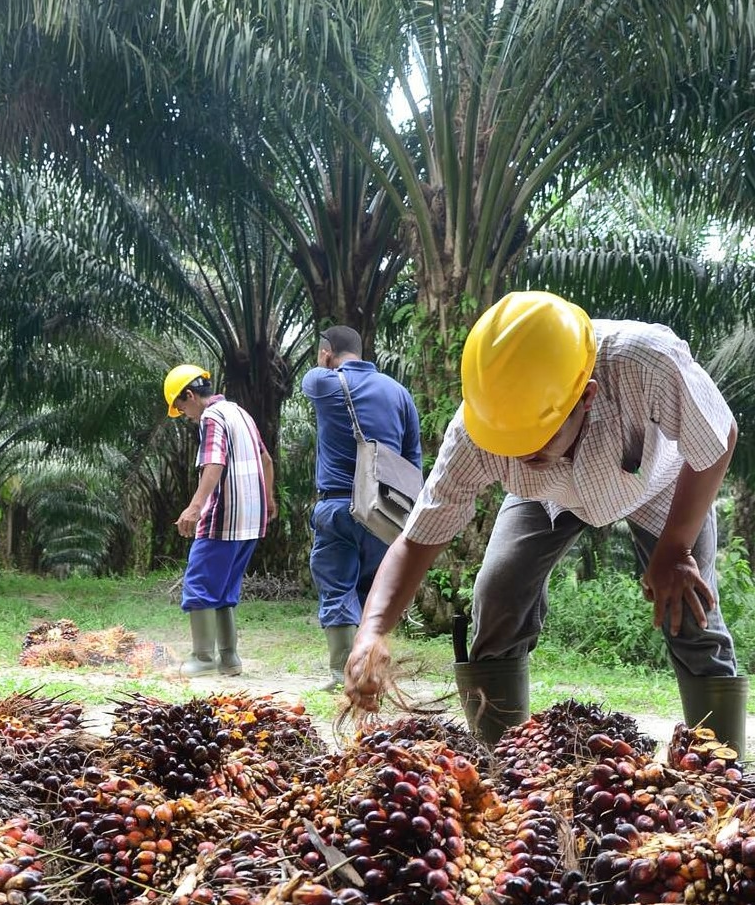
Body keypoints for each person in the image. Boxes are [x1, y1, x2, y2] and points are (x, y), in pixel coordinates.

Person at [343, 290, 749, 755]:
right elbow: (416, 542)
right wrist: (372, 630)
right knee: (497, 590)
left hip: (661, 487)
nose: (520, 453)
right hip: (546, 497)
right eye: (508, 442)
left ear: (588, 395)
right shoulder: (481, 431)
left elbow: (719, 437)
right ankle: (503, 760)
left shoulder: (645, 362)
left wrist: (676, 548)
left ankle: (723, 773)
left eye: (535, 439)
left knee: (691, 612)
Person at [302, 326, 422, 688]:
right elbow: (412, 459)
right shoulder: (400, 393)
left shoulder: (326, 383)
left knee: (338, 586)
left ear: (327, 353)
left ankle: (343, 672)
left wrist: (326, 363)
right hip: (385, 513)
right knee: (374, 591)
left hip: (338, 506)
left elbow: (311, 378)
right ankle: (370, 669)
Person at [164, 364, 275, 678]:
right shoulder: (240, 412)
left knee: (199, 584)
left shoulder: (211, 417)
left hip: (224, 516)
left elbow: (214, 461)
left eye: (180, 406)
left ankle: (202, 657)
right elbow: (266, 459)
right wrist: (268, 499)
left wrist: (195, 506)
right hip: (251, 520)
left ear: (190, 395)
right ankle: (229, 658)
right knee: (225, 589)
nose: (184, 414)